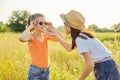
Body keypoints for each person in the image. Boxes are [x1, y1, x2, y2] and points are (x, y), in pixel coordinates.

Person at [49, 10, 120, 80]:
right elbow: (69, 48)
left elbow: (90, 64)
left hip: (104, 67)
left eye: (64, 24)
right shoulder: (82, 36)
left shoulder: (80, 39)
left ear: (69, 26)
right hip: (108, 66)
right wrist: (55, 33)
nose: (63, 26)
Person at [18, 13, 63, 80]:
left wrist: (53, 27)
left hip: (47, 70)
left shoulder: (46, 36)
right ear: (34, 24)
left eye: (45, 22)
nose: (44, 25)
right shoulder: (31, 37)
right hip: (35, 71)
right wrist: (30, 27)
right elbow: (21, 38)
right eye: (41, 23)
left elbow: (62, 39)